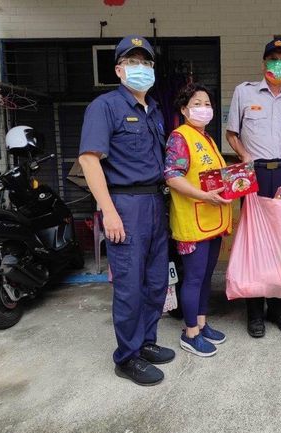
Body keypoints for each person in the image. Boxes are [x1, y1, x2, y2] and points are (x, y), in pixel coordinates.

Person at [78, 35, 174, 386]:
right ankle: (127, 357)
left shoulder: (155, 111)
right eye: (133, 63)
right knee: (130, 286)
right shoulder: (105, 107)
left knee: (154, 282)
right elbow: (89, 161)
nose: (141, 69)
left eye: (146, 63)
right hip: (125, 205)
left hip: (154, 203)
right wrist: (108, 212)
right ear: (119, 70)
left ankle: (146, 342)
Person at [226, 38, 281, 338]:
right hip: (254, 175)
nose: (278, 64)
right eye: (273, 58)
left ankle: (280, 311)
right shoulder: (244, 92)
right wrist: (245, 155)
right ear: (264, 64)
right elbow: (232, 133)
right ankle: (255, 313)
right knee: (255, 245)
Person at [164, 83, 232, 357]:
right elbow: (172, 176)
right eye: (197, 103)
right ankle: (190, 332)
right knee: (193, 278)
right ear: (184, 109)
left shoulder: (207, 138)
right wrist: (204, 196)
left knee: (205, 278)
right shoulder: (180, 137)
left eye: (207, 104)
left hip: (212, 219)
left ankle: (202, 324)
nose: (204, 109)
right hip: (193, 222)